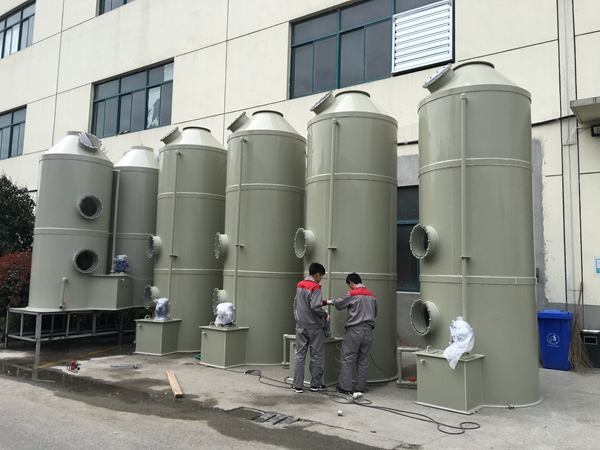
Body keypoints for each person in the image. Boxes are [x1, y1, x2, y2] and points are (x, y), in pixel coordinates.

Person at [331, 272, 377, 396]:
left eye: (349, 285)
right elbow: (375, 313)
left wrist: (332, 302)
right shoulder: (372, 296)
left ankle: (345, 387)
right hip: (368, 331)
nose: (349, 287)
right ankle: (360, 388)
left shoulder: (352, 294)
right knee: (363, 360)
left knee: (347, 359)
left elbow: (338, 305)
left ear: (351, 283)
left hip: (354, 330)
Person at [292, 262, 328, 393]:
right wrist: (325, 315)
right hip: (314, 326)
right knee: (316, 355)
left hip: (301, 325)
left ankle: (297, 385)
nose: (321, 279)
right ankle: (315, 385)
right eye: (321, 276)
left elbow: (304, 302)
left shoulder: (300, 285)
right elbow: (315, 307)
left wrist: (323, 302)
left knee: (299, 354)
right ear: (317, 274)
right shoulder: (316, 287)